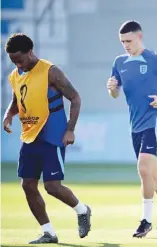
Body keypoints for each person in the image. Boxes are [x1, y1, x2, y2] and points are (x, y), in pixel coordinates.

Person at [3, 33, 91, 244]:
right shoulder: (16, 74)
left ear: (30, 52)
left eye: (20, 59)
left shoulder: (50, 72)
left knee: (52, 186)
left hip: (53, 136)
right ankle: (48, 232)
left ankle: (82, 210)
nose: (17, 64)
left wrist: (70, 129)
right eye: (13, 61)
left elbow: (75, 98)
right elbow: (17, 100)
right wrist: (8, 115)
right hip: (29, 136)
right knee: (27, 185)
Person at [107, 20, 157, 238]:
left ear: (140, 37)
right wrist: (112, 89)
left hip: (155, 121)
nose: (125, 45)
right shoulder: (119, 61)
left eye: (129, 41)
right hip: (135, 124)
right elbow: (115, 93)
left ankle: (146, 220)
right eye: (122, 42)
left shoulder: (155, 59)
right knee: (153, 174)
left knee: (143, 168)